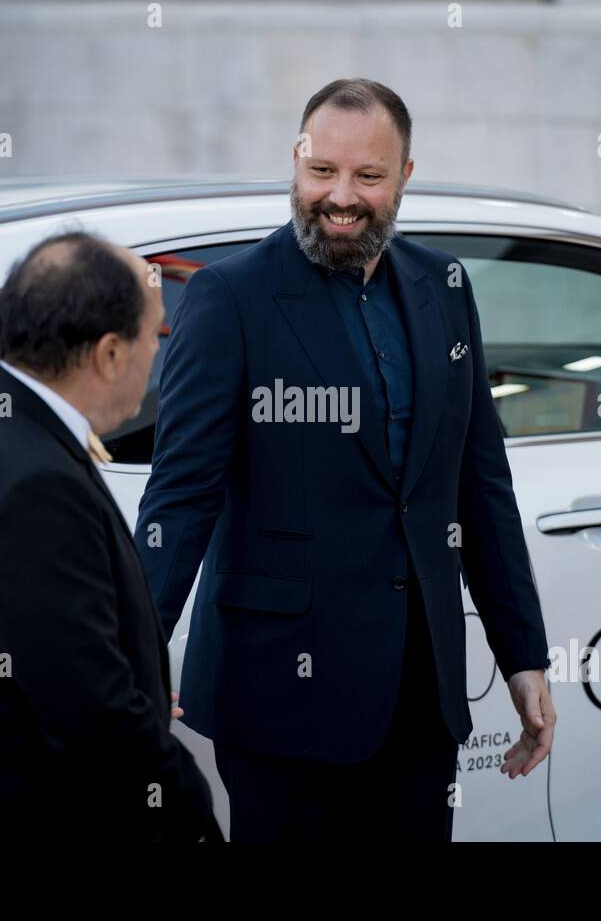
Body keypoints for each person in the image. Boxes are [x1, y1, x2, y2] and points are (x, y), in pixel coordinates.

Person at [135, 78, 556, 842]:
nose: (340, 197)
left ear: (404, 178)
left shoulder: (445, 286)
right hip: (280, 699)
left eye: (367, 176)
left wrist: (521, 651)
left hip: (420, 694)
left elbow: (479, 482)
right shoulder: (230, 297)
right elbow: (181, 495)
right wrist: (133, 645)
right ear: (294, 163)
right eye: (321, 171)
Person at [0, 231, 220, 841]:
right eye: (155, 337)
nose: (155, 358)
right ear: (110, 354)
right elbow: (94, 716)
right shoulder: (32, 482)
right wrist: (194, 817)